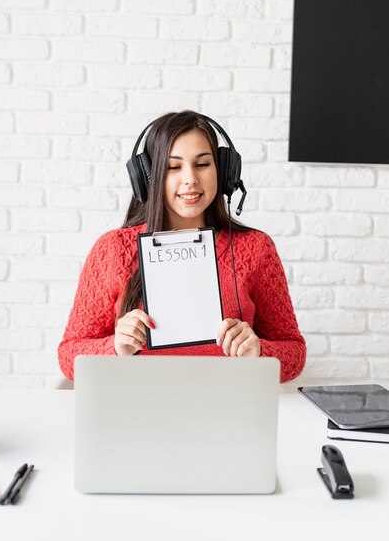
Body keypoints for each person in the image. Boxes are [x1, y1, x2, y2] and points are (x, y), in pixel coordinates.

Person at [58, 110, 306, 382]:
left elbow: (294, 354)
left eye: (202, 164)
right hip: (138, 408)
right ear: (148, 177)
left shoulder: (256, 248)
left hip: (227, 409)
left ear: (223, 172)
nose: (190, 179)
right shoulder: (114, 249)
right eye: (173, 167)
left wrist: (258, 350)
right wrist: (115, 347)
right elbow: (69, 357)